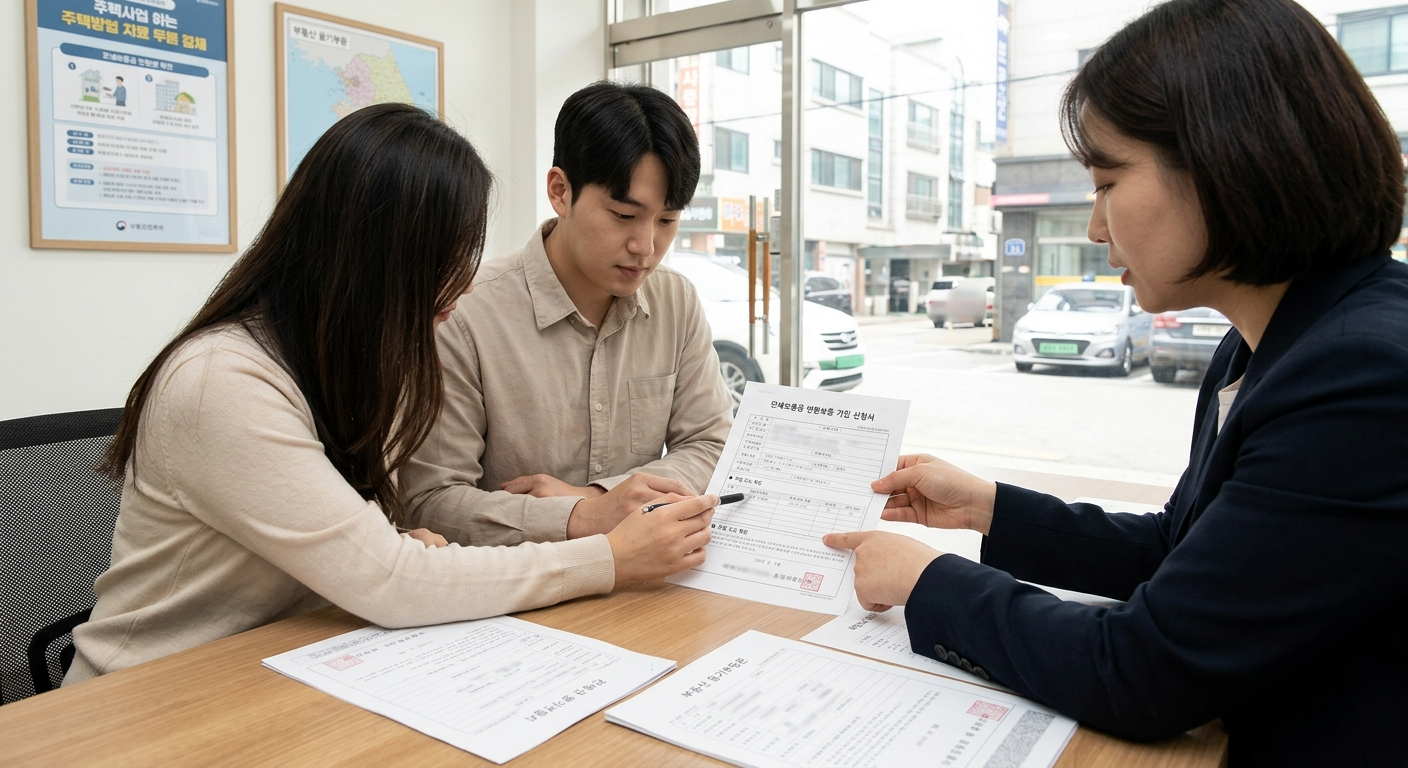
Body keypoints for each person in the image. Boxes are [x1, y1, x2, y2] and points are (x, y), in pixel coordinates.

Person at [824, 1, 1408, 765]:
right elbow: (1181, 547)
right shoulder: (1265, 341)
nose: (1096, 228)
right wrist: (990, 508)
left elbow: (1144, 669)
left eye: (1106, 183)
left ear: (1228, 158)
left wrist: (928, 581)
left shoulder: (1363, 375)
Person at [65, 103, 716, 684]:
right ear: (370, 261)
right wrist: (607, 555)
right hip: (151, 693)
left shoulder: (350, 356)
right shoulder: (221, 382)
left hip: (299, 662)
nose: (460, 288)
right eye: (442, 263)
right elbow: (392, 574)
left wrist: (400, 553)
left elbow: (390, 542)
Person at [400, 82, 733, 548]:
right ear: (560, 191)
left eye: (666, 220)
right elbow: (429, 501)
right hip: (511, 599)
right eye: (623, 215)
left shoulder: (675, 302)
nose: (646, 247)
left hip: (647, 582)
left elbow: (712, 445)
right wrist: (578, 517)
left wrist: (597, 496)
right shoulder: (464, 313)